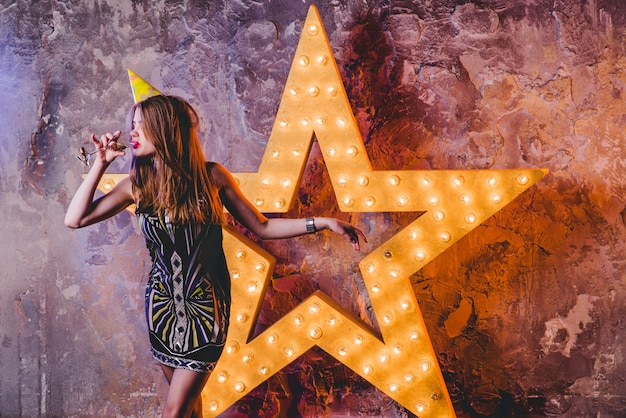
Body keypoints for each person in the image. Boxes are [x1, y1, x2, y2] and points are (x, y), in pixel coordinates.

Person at [65, 95, 366, 418]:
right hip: (162, 314)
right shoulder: (138, 186)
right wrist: (101, 163)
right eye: (132, 125)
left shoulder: (212, 178)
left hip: (206, 314)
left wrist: (320, 222)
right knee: (192, 411)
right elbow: (75, 219)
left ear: (165, 130)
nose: (133, 133)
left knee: (174, 412)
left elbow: (262, 227)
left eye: (142, 126)